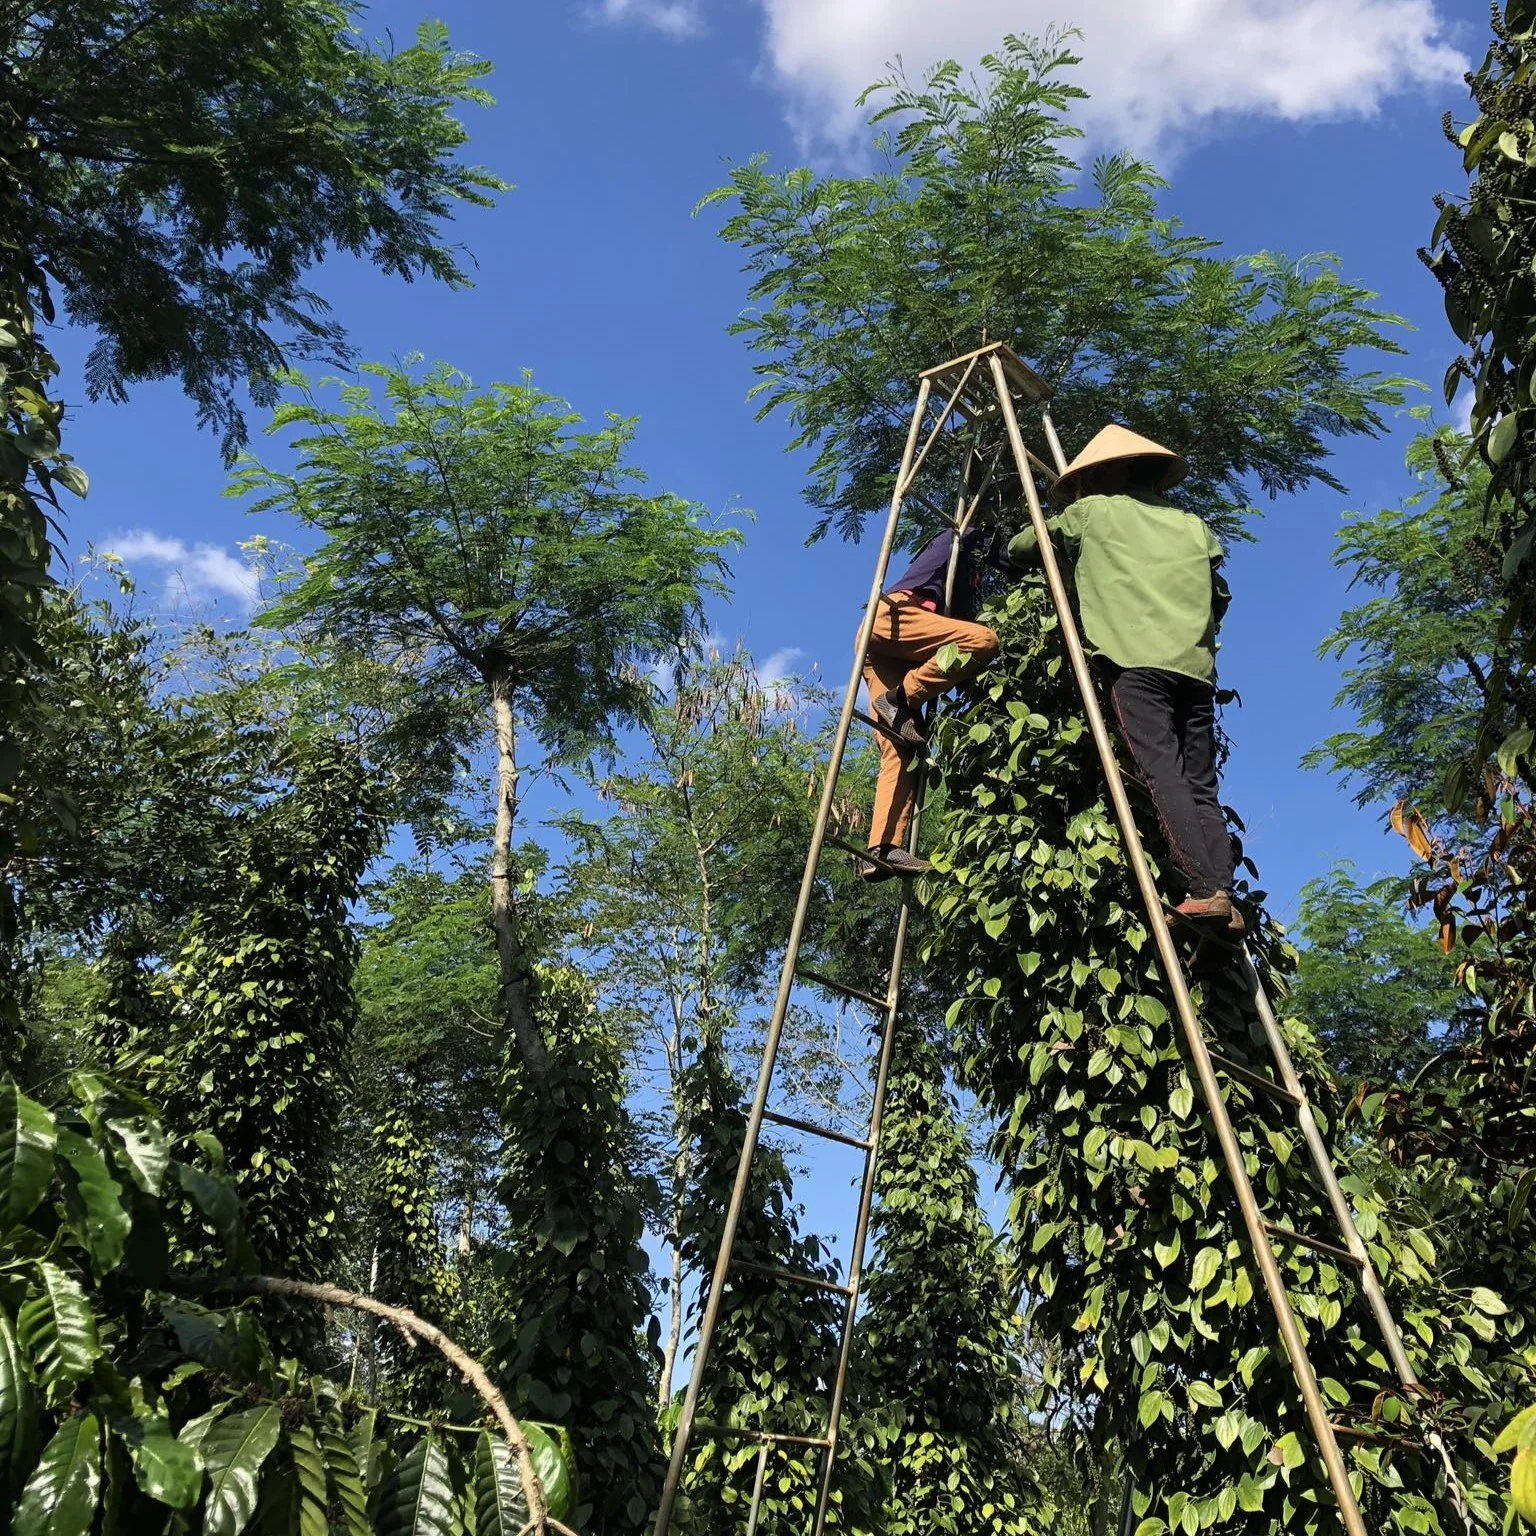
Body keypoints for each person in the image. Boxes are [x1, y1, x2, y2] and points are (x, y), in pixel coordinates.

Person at [1008, 425, 1241, 935]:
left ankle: (1202, 891)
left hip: (1134, 664)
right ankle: (1224, 893)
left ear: (1109, 472)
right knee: (1202, 784)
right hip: (1196, 671)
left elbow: (1026, 545)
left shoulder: (1093, 513)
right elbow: (1219, 598)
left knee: (1162, 773)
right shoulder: (1192, 526)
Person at [858, 520, 1006, 880]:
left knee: (900, 747)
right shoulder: (955, 539)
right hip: (894, 619)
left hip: (891, 646)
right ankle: (900, 697)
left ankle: (882, 848)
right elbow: (986, 541)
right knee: (984, 640)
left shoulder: (959, 588)